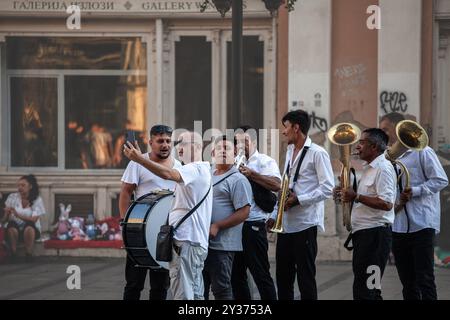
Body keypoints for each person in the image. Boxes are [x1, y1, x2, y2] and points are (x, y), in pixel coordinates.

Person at [124, 130, 212, 300]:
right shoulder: (198, 169)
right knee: (195, 294)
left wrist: (139, 159)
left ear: (199, 147)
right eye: (178, 143)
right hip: (190, 243)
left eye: (184, 143)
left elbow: (167, 173)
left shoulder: (195, 169)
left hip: (187, 243)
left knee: (184, 296)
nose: (179, 148)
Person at [380, 112, 449, 300]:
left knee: (425, 278)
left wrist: (416, 191)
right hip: (398, 225)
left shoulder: (423, 151)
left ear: (397, 128)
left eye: (385, 129)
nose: (383, 133)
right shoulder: (386, 157)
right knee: (407, 282)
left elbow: (441, 180)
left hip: (422, 223)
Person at [266, 110, 334, 300]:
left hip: (305, 224)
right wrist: (274, 214)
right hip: (286, 225)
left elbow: (328, 188)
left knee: (306, 279)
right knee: (283, 279)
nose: (283, 132)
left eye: (285, 127)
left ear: (296, 128)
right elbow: (286, 185)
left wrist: (298, 199)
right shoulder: (289, 151)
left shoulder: (318, 153)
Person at [119, 124, 181, 300]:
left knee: (160, 286)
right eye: (160, 141)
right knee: (134, 284)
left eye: (168, 141)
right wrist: (125, 223)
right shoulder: (138, 162)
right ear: (150, 142)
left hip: (165, 233)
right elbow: (125, 192)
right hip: (138, 230)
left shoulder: (178, 166)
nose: (165, 145)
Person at [334, 128, 396, 300]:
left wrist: (357, 196)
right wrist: (345, 194)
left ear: (374, 147)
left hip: (375, 237)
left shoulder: (383, 169)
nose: (358, 146)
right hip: (364, 235)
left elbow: (387, 203)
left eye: (362, 142)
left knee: (369, 289)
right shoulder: (369, 169)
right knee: (365, 288)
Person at [231, 125, 279, 300]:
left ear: (253, 141)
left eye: (245, 141)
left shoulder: (265, 161)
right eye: (237, 142)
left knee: (261, 274)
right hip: (234, 226)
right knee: (236, 277)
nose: (241, 145)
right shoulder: (231, 162)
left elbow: (276, 185)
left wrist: (252, 174)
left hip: (254, 225)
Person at [203, 135, 252, 300]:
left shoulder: (238, 179)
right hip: (201, 243)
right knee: (199, 289)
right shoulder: (205, 174)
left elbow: (244, 212)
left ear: (235, 153)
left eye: (227, 148)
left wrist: (217, 226)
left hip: (222, 246)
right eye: (219, 148)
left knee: (221, 290)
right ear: (212, 152)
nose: (223, 151)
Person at [2, 174, 46, 261]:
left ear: (30, 186)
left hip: (31, 231)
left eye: (23, 185)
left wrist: (17, 215)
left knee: (29, 225)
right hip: (14, 230)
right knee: (11, 225)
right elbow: (4, 220)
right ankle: (13, 254)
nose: (20, 188)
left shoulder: (37, 199)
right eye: (18, 185)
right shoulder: (12, 197)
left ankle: (28, 254)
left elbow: (34, 219)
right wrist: (6, 213)